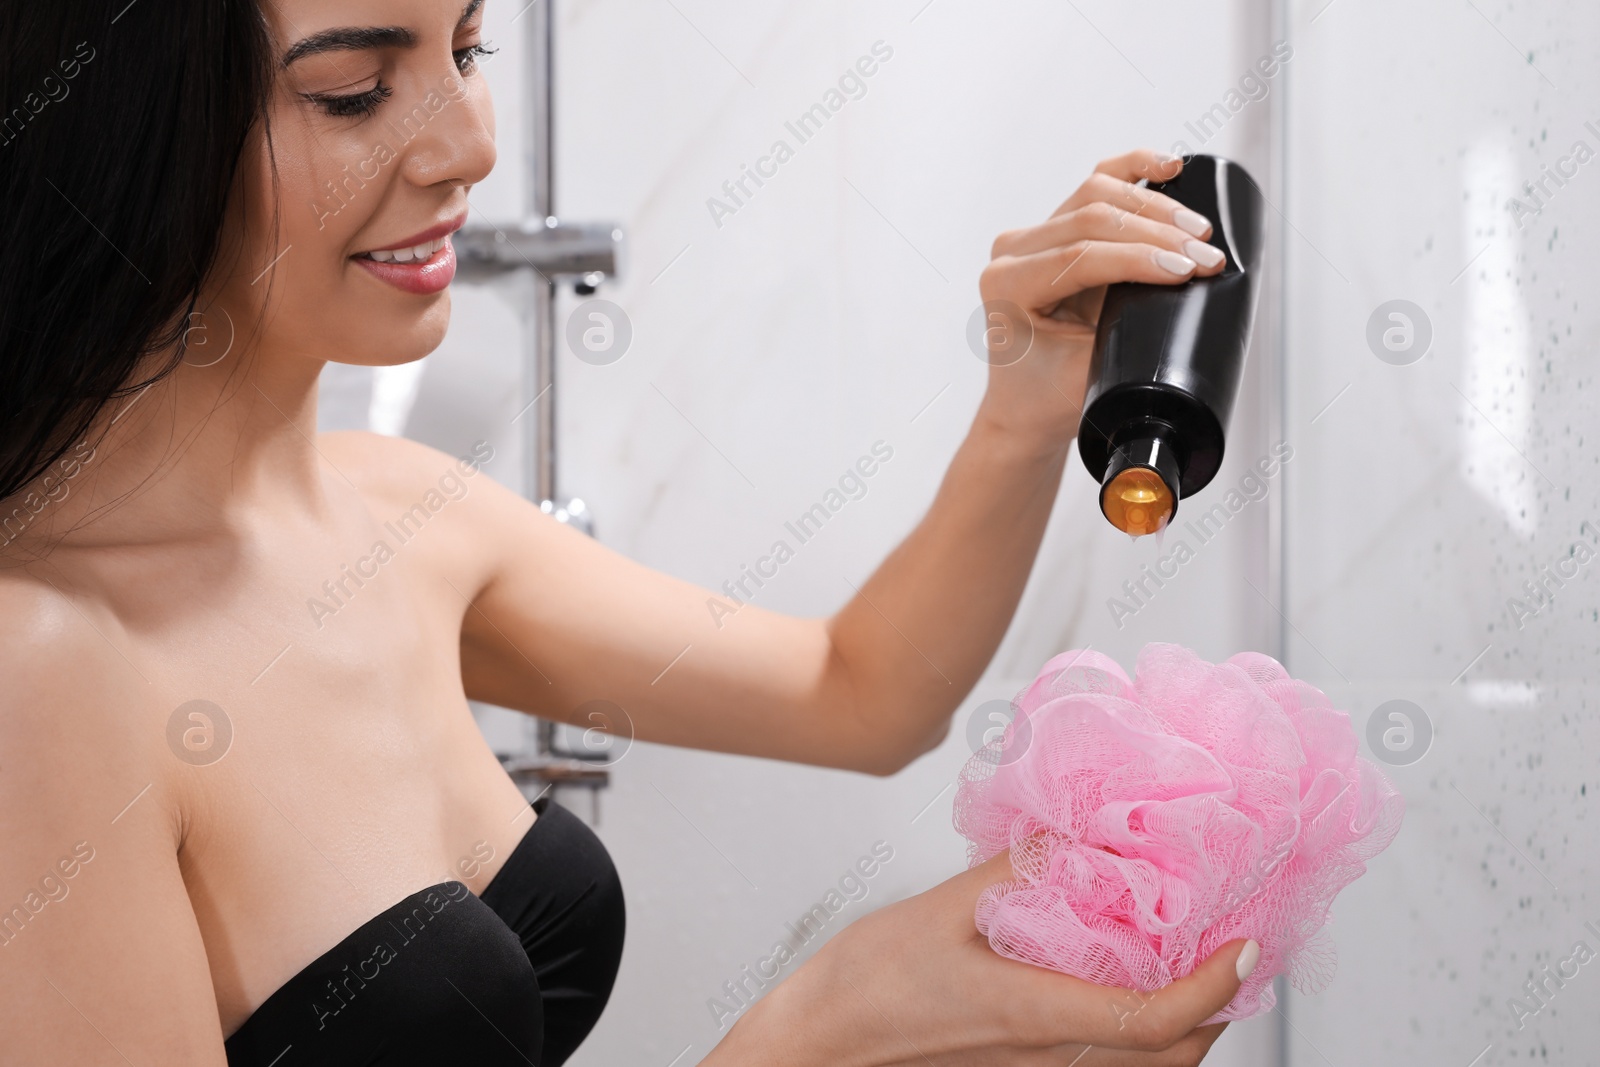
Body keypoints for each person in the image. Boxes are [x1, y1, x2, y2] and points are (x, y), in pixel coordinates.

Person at [0, 0, 1250, 1063]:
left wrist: (1020, 408)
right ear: (129, 128)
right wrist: (828, 1021)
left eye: (471, 49)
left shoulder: (397, 516)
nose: (466, 144)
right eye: (353, 92)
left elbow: (860, 694)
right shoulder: (39, 663)